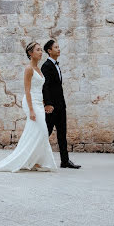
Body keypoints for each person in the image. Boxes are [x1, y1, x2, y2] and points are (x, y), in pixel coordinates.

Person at [0, 42, 57, 172]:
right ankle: (27, 160)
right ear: (30, 53)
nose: (41, 52)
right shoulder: (29, 69)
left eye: (41, 50)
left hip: (39, 103)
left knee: (36, 133)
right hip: (31, 103)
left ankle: (34, 161)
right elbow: (27, 91)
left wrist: (45, 102)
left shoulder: (39, 69)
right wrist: (32, 110)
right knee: (43, 131)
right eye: (38, 50)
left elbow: (39, 88)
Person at [41, 40, 81, 169]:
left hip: (61, 106)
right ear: (49, 50)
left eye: (58, 47)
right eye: (56, 47)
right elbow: (45, 86)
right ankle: (36, 158)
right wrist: (47, 104)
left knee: (62, 134)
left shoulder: (57, 65)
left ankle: (65, 161)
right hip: (51, 107)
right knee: (46, 132)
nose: (59, 49)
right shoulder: (46, 66)